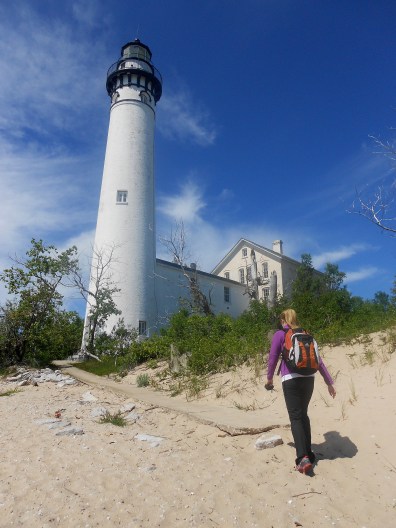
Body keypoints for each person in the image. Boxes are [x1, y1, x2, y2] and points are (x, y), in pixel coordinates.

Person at [266, 308, 336, 474]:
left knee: (295, 417)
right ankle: (309, 454)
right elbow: (318, 361)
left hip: (290, 379)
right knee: (303, 414)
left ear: (283, 320)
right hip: (309, 378)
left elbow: (273, 357)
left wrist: (269, 378)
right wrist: (329, 382)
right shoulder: (306, 334)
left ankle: (302, 458)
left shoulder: (280, 334)